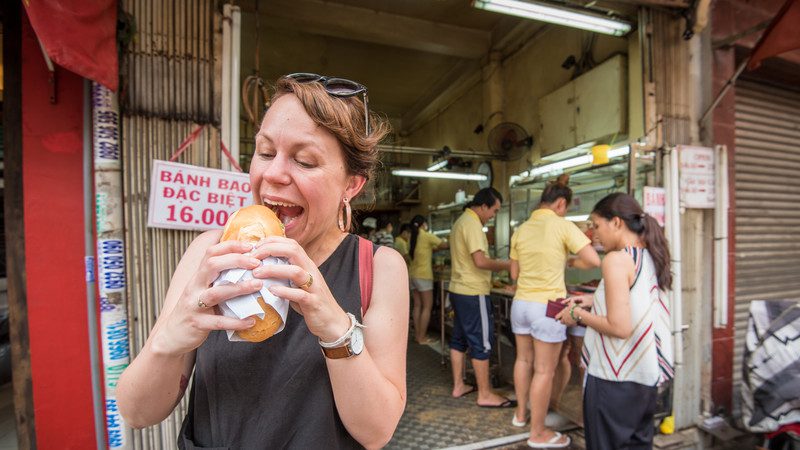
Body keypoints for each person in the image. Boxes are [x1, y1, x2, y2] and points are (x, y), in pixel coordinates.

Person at [116, 74, 409, 449]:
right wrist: (168, 343)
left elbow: (377, 432)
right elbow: (137, 413)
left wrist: (335, 328)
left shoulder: (378, 268)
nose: (272, 174)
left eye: (304, 161)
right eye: (266, 153)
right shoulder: (210, 252)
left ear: (351, 185)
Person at [557, 193, 674, 450]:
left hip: (614, 379)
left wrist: (577, 315)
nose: (594, 234)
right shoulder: (649, 255)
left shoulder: (616, 260)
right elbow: (637, 301)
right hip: (644, 378)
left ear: (617, 222)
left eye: (597, 225)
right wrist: (592, 301)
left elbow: (620, 327)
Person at [509, 180, 600, 448]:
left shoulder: (521, 229)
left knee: (523, 360)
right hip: (547, 306)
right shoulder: (562, 225)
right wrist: (570, 260)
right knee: (544, 370)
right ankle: (538, 433)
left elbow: (513, 273)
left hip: (521, 303)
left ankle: (520, 415)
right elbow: (594, 260)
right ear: (561, 203)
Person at [448, 187, 512, 407]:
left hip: (458, 290)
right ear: (484, 206)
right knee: (481, 343)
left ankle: (459, 385)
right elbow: (480, 261)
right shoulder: (473, 224)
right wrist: (508, 265)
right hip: (473, 292)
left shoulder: (461, 222)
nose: (493, 215)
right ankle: (485, 394)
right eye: (494, 210)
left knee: (458, 339)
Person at [408, 214, 446, 344]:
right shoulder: (426, 235)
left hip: (413, 275)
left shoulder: (412, 237)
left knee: (417, 306)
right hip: (424, 275)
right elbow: (444, 245)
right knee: (427, 307)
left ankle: (417, 336)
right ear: (423, 224)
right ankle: (422, 337)